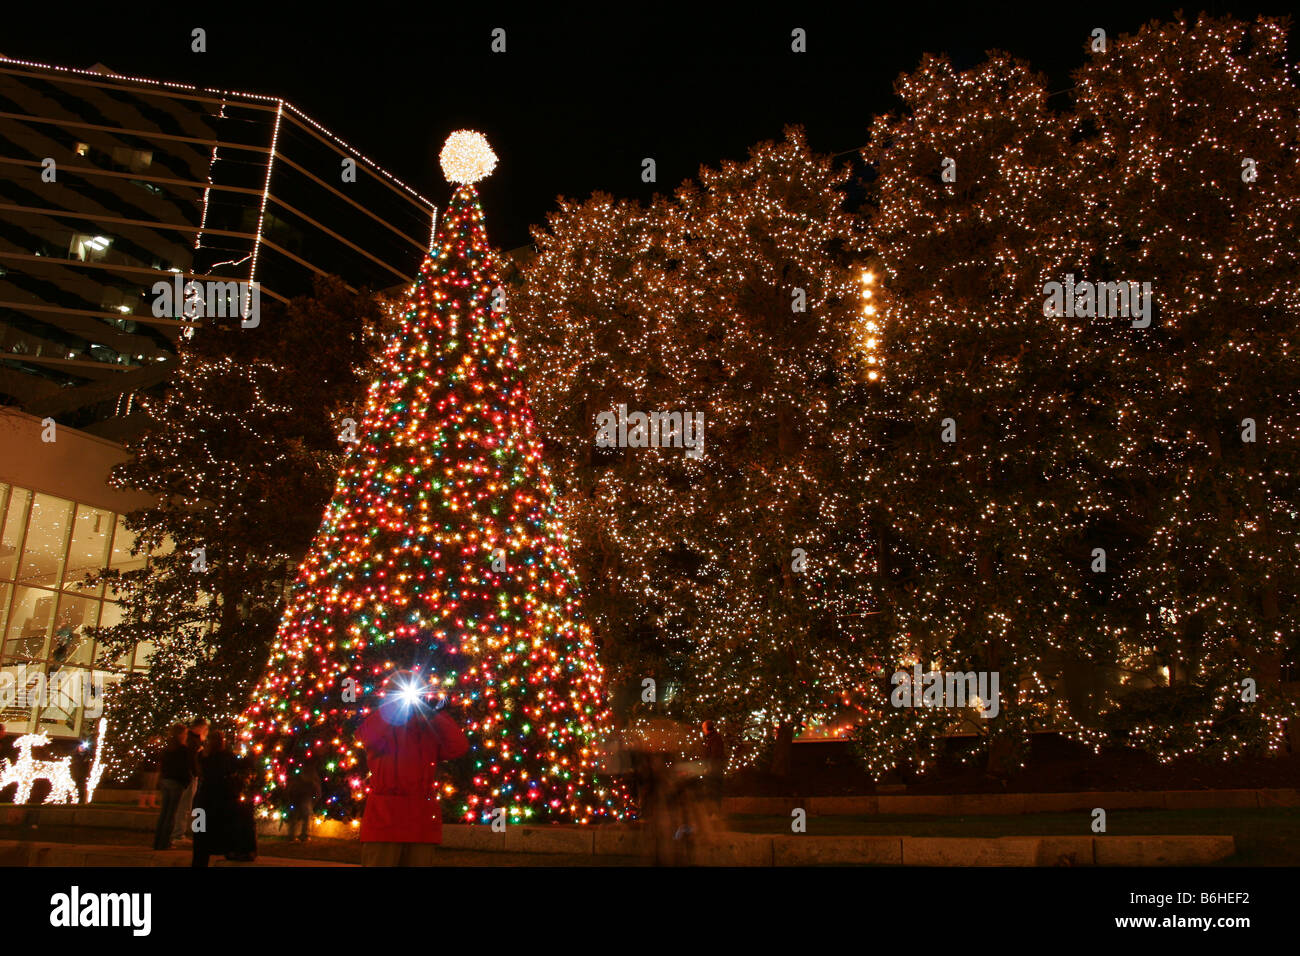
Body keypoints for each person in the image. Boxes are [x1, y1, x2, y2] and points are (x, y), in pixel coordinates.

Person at [356, 672, 469, 866]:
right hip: (386, 818)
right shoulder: (381, 721)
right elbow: (368, 738)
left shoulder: (428, 726)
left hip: (420, 818)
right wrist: (393, 709)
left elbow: (458, 746)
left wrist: (436, 714)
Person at [191, 730, 243, 867]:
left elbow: (198, 772)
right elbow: (234, 770)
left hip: (202, 799)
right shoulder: (226, 756)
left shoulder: (202, 755)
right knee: (214, 832)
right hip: (218, 799)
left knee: (200, 837)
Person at [153, 724, 192, 850]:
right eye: (185, 734)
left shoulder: (168, 748)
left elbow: (163, 764)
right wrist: (186, 781)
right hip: (176, 782)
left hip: (166, 781)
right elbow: (185, 767)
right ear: (181, 734)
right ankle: (164, 842)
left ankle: (158, 841)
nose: (186, 736)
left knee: (164, 812)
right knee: (171, 814)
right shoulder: (182, 749)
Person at [172, 718, 208, 843]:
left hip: (194, 776)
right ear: (200, 727)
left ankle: (189, 832)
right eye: (205, 728)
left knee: (191, 806)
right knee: (186, 805)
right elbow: (192, 759)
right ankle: (179, 833)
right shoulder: (193, 741)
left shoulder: (196, 740)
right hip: (192, 776)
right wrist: (196, 773)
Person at [285, 760, 322, 842]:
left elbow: (316, 785)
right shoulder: (297, 772)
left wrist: (316, 795)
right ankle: (294, 835)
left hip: (305, 795)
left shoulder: (311, 772)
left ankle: (304, 835)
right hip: (297, 795)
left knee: (306, 813)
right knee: (297, 814)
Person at [701, 720, 726, 811]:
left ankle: (714, 812)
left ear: (707, 728)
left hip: (714, 770)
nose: (703, 730)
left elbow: (715, 755)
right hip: (712, 769)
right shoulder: (711, 738)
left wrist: (709, 767)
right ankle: (712, 812)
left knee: (714, 791)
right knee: (711, 791)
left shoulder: (715, 739)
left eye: (703, 728)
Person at [136, 733, 162, 809]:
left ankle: (151, 802)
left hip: (155, 769)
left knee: (152, 786)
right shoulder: (149, 749)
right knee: (147, 786)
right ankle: (142, 803)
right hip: (149, 769)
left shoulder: (157, 749)